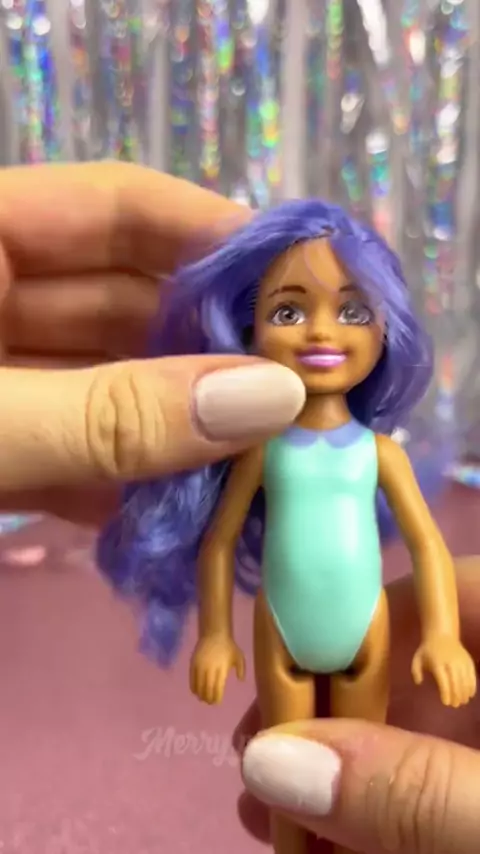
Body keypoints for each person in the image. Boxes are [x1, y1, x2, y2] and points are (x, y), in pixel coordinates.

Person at [0, 161, 477, 853]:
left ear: (386, 330)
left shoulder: (379, 453)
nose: (321, 333)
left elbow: (429, 545)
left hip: (364, 632)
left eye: (352, 311)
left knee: (357, 780)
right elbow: (221, 540)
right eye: (289, 311)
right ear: (250, 330)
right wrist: (217, 635)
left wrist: (441, 635)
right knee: (290, 791)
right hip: (281, 633)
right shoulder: (261, 448)